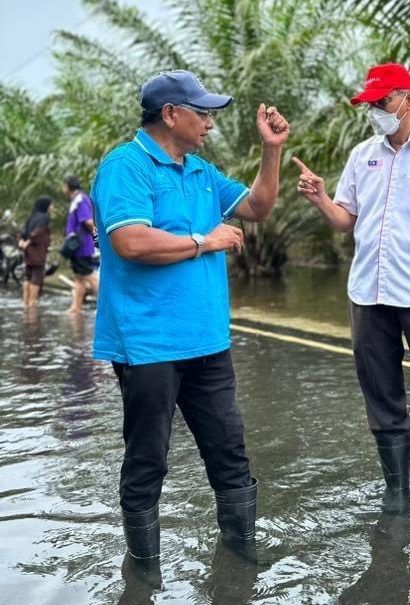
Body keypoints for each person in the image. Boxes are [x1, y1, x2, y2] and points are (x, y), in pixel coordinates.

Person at [91, 69, 289, 560]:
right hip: (147, 343)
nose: (210, 124)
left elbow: (260, 207)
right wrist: (206, 241)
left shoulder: (202, 172)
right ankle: (143, 570)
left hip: (208, 342)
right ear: (170, 114)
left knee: (230, 452)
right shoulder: (126, 166)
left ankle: (241, 559)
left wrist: (272, 149)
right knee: (148, 458)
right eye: (202, 114)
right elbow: (130, 241)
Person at [293, 63, 410, 515]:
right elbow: (346, 221)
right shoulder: (362, 156)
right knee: (381, 392)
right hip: (368, 295)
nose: (375, 111)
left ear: (408, 100)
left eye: (382, 102)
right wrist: (320, 198)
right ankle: (397, 490)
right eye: (370, 105)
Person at [63, 175, 99, 314]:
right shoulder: (76, 199)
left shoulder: (80, 199)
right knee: (79, 277)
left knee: (90, 275)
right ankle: (76, 307)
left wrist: (95, 237)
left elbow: (88, 221)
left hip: (82, 246)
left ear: (67, 185)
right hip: (76, 247)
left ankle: (102, 307)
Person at [18, 196, 53, 307]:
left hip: (28, 252)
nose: (52, 207)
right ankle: (33, 302)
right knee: (37, 276)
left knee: (28, 276)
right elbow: (38, 232)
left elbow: (21, 232)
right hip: (38, 251)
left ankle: (26, 302)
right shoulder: (45, 217)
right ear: (45, 205)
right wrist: (29, 241)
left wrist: (21, 242)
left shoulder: (31, 217)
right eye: (51, 205)